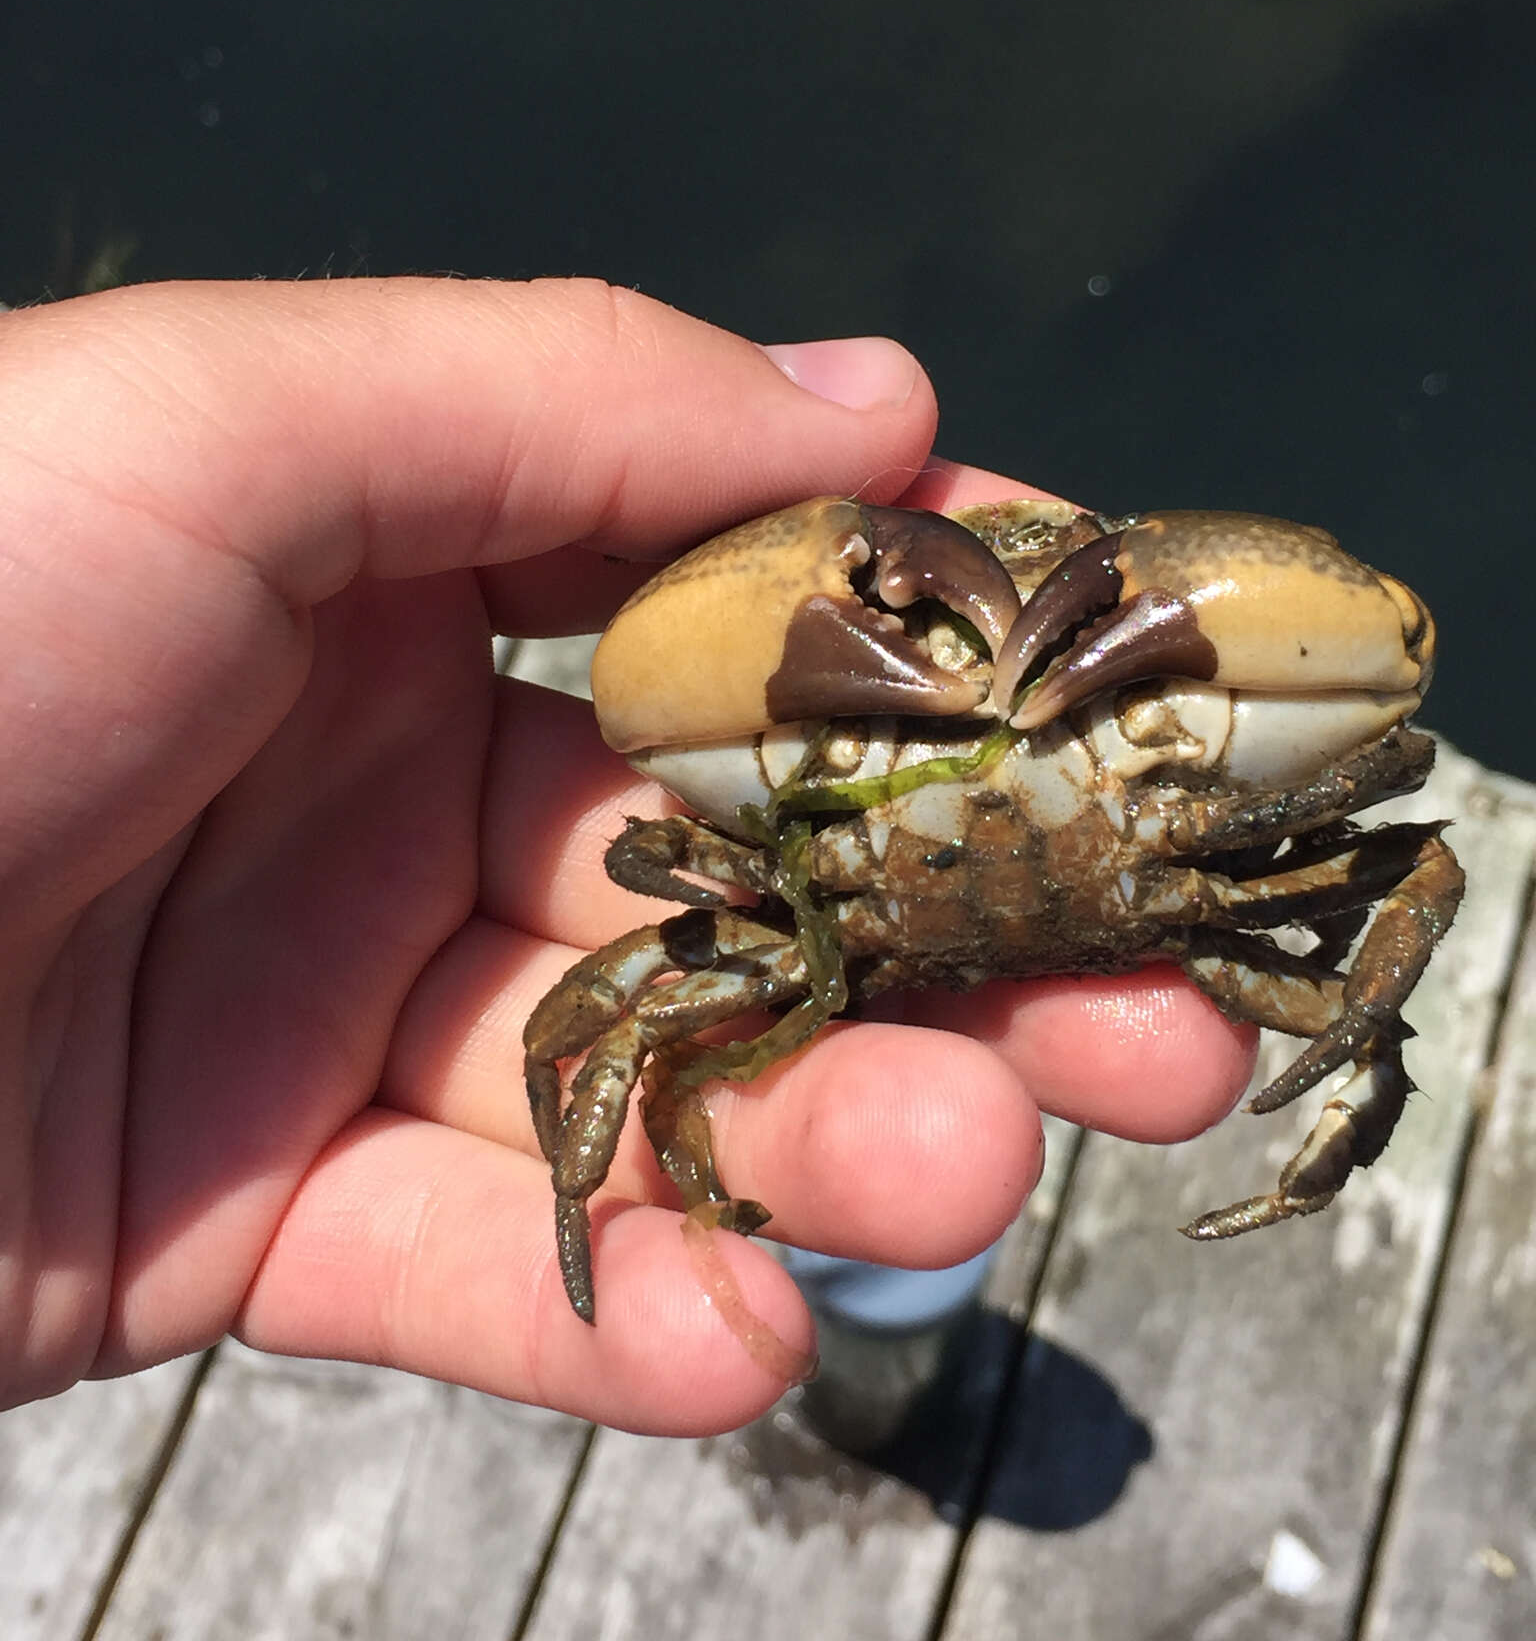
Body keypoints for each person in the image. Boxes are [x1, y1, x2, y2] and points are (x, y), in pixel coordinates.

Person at [0, 276, 1253, 1436]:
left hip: (1133, 861)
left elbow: (1382, 759)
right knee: (617, 1025)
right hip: (823, 910)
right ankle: (614, 1201)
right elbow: (642, 783)